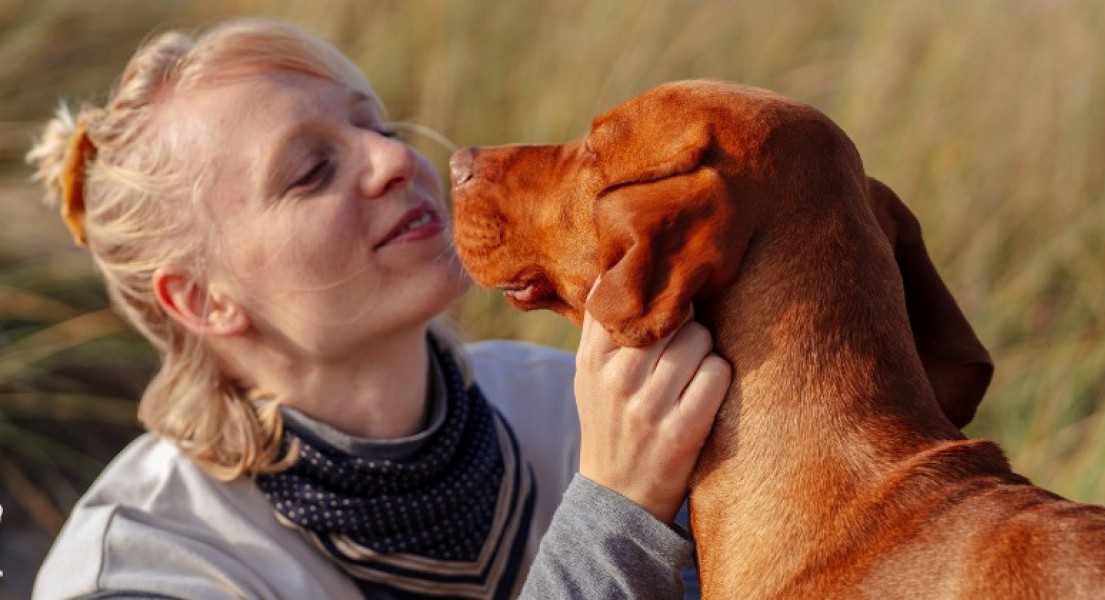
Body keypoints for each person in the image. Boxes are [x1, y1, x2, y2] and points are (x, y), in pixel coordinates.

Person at [26, 17, 730, 599]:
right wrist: (616, 513)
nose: (393, 162)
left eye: (381, 127)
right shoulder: (143, 567)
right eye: (311, 171)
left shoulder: (578, 405)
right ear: (203, 300)